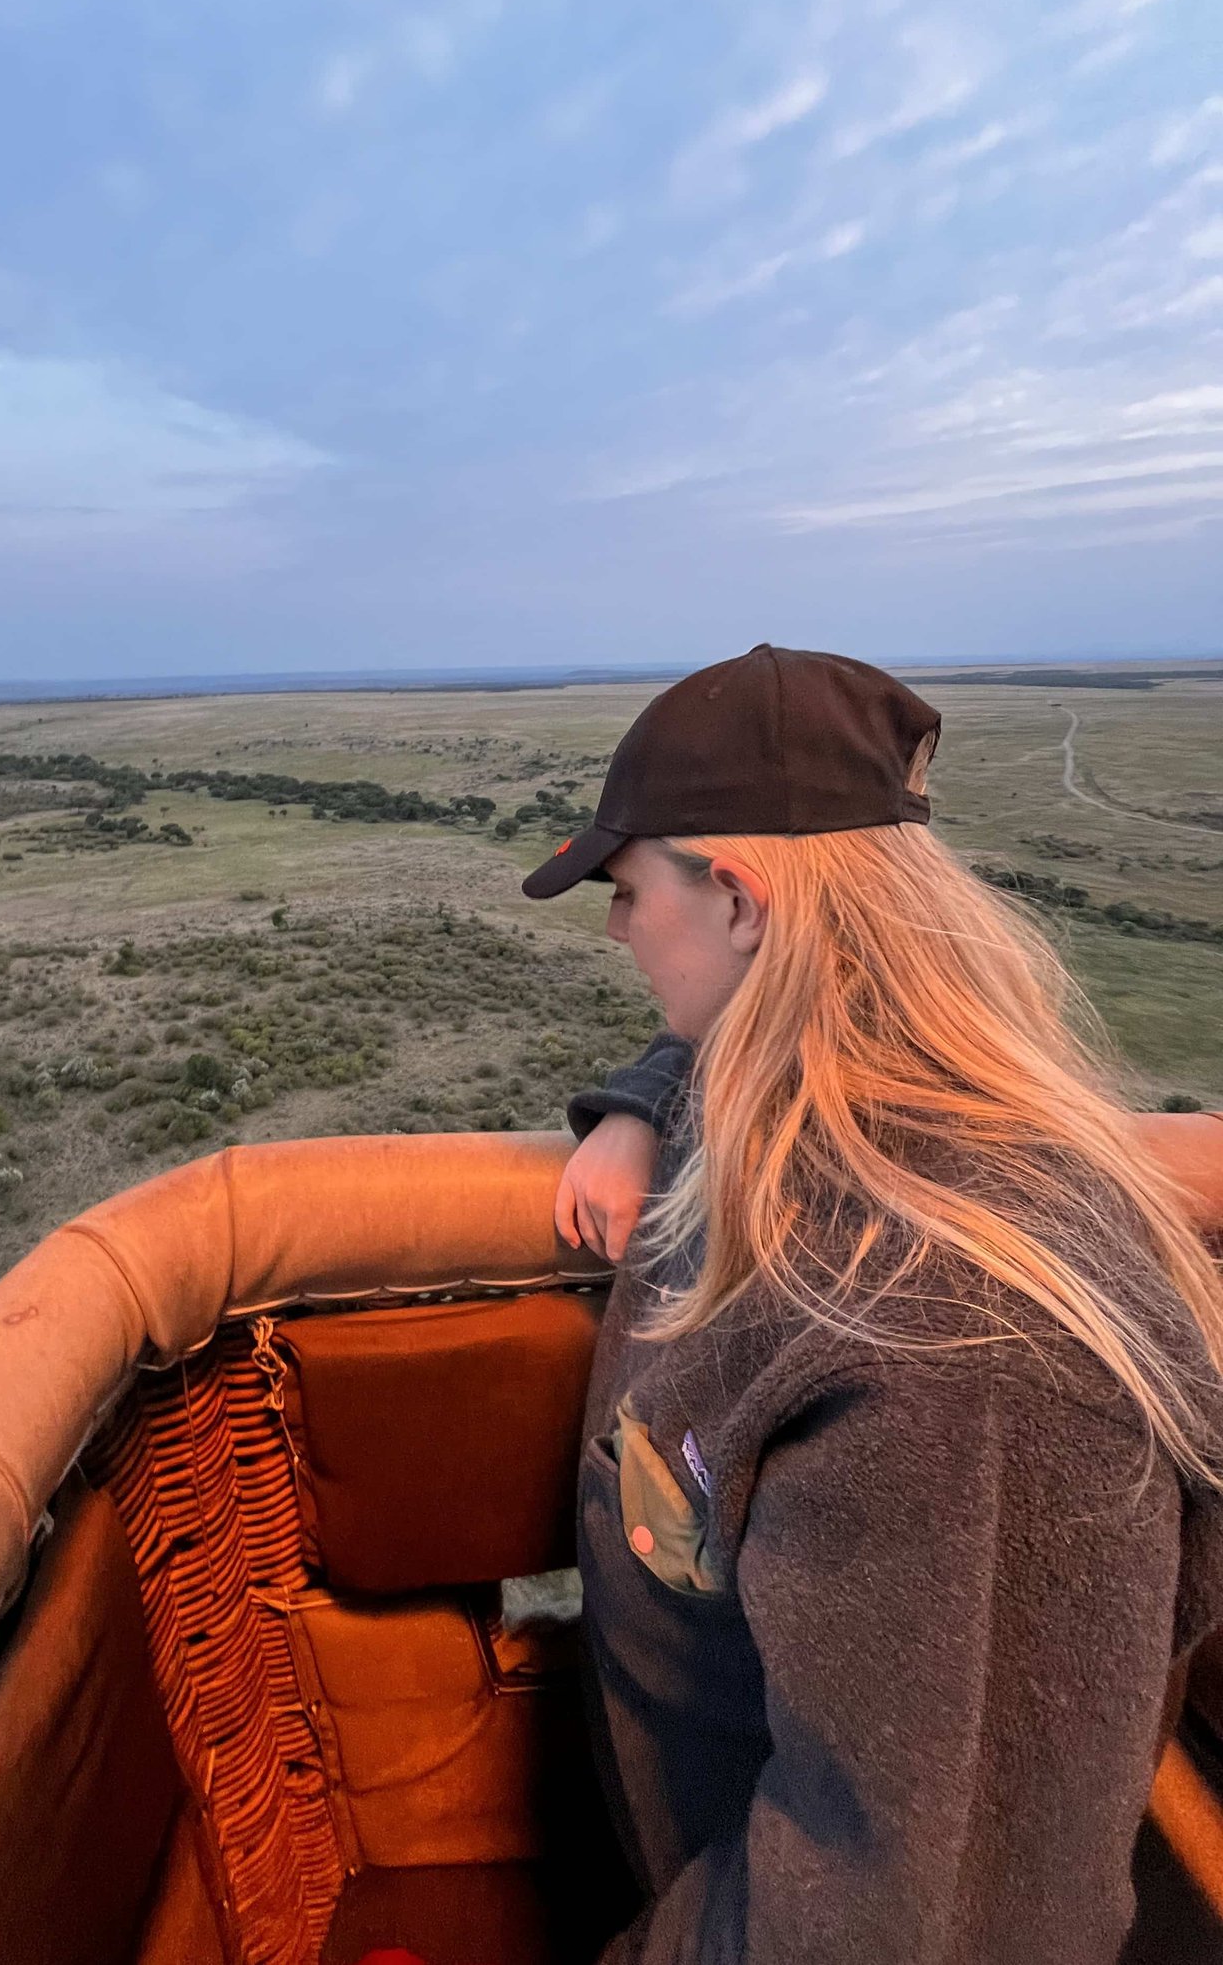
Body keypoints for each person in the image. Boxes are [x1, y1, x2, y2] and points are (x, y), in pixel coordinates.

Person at [522, 643, 1223, 1965]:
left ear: (739, 899)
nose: (617, 929)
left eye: (626, 890)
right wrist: (645, 1097)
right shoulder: (827, 1128)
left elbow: (928, 1915)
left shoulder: (957, 1351)